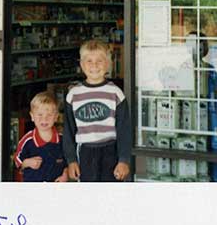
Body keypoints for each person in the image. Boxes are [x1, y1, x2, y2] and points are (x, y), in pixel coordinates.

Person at [63, 40, 132, 182]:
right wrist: (71, 161)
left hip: (111, 151)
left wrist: (124, 160)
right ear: (81, 65)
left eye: (99, 61)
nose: (94, 65)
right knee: (87, 195)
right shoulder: (73, 95)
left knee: (110, 194)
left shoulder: (116, 93)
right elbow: (68, 132)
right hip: (84, 152)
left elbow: (125, 130)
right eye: (89, 61)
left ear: (107, 63)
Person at [14, 91, 69, 182]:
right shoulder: (27, 140)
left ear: (56, 117)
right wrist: (27, 163)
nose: (44, 119)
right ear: (32, 116)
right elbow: (17, 161)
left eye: (49, 115)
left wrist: (65, 174)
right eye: (39, 115)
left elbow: (69, 161)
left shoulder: (62, 140)